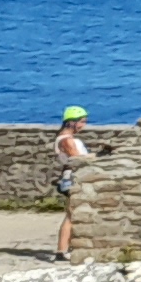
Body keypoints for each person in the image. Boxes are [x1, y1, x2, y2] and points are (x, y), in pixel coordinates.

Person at [51, 106, 93, 259]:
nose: (83, 125)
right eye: (82, 122)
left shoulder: (64, 138)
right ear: (71, 122)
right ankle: (62, 251)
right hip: (72, 178)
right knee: (71, 215)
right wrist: (97, 156)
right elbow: (77, 159)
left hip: (71, 177)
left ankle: (65, 249)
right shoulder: (67, 140)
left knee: (72, 214)